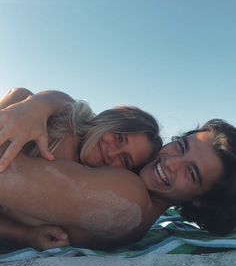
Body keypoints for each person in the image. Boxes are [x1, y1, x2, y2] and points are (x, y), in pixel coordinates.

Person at [0, 90, 236, 251]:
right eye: (182, 146)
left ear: (201, 201)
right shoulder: (132, 185)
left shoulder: (129, 199)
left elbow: (5, 175)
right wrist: (38, 104)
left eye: (191, 173)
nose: (172, 163)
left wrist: (25, 101)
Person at [0, 88, 162, 249]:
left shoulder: (81, 193)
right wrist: (39, 103)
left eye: (125, 159)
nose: (112, 153)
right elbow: (43, 97)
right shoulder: (63, 119)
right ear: (110, 120)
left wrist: (24, 235)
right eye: (119, 138)